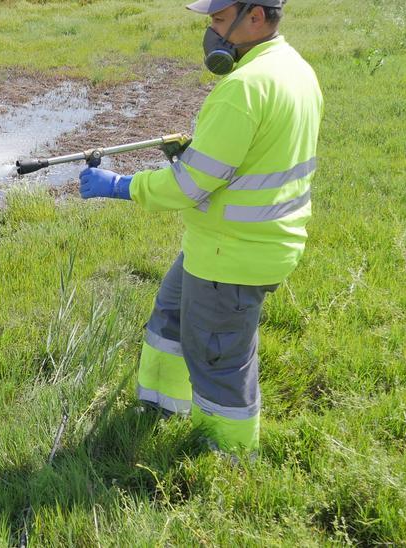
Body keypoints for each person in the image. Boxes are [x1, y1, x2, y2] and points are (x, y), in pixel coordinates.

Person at [77, 0, 322, 454]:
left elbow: (189, 186)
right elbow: (250, 158)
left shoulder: (244, 88)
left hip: (232, 255)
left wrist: (122, 186)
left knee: (219, 360)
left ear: (255, 17)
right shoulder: (293, 68)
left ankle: (225, 457)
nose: (211, 31)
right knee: (170, 318)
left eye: (217, 19)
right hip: (224, 245)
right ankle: (160, 406)